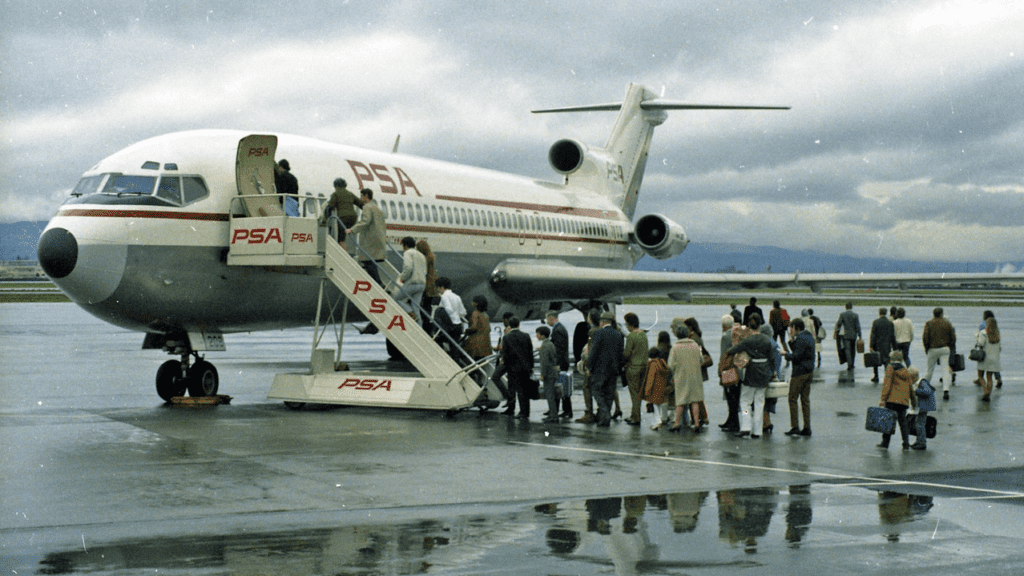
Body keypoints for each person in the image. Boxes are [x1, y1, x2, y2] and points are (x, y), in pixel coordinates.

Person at [727, 314, 773, 438]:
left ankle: (746, 426)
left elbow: (733, 350)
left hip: (752, 371)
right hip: (764, 372)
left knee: (746, 402)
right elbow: (772, 358)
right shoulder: (766, 340)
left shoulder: (748, 340)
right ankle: (757, 430)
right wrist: (772, 373)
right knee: (759, 402)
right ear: (760, 324)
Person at [587, 311, 625, 427]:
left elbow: (593, 352)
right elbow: (620, 353)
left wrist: (589, 367)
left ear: (602, 322)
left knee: (596, 391)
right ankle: (605, 417)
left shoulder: (599, 333)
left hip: (599, 369)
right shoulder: (618, 334)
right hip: (613, 370)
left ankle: (605, 414)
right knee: (609, 394)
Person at [667, 324, 705, 433]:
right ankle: (696, 423)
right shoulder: (695, 345)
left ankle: (677, 422)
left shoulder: (675, 347)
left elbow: (671, 364)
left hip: (681, 375)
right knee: (695, 400)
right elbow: (701, 360)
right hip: (695, 375)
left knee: (680, 400)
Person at [878, 350, 916, 450]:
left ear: (891, 359)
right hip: (903, 401)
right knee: (903, 423)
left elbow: (887, 384)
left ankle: (885, 443)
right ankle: (906, 444)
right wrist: (913, 401)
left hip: (892, 400)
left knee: (888, 422)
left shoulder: (890, 368)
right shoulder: (905, 370)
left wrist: (883, 399)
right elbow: (910, 387)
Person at [346, 188, 386, 285]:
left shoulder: (367, 207)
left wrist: (352, 229)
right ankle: (379, 283)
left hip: (370, 240)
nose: (361, 198)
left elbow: (366, 221)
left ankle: (378, 283)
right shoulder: (377, 208)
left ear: (366, 196)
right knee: (371, 263)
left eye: (362, 196)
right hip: (378, 239)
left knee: (367, 261)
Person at [784, 318, 815, 437]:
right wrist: (792, 341)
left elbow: (796, 356)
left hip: (799, 373)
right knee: (805, 400)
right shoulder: (808, 336)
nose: (790, 330)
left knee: (792, 398)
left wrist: (786, 355)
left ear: (796, 328)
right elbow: (799, 351)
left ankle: (795, 426)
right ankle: (807, 427)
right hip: (809, 372)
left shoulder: (801, 338)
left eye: (791, 328)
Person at [501, 316, 534, 419]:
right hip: (525, 367)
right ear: (519, 324)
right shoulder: (526, 336)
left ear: (509, 325)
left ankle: (511, 408)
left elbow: (505, 354)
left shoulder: (506, 337)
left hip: (512, 367)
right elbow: (530, 352)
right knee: (523, 391)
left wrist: (505, 365)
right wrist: (531, 366)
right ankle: (525, 411)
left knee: (512, 389)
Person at [922, 307, 956, 401]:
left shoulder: (929, 323)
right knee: (945, 370)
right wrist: (950, 346)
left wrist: (927, 348)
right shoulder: (947, 323)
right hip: (945, 348)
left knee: (929, 370)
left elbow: (925, 337)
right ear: (941, 314)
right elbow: (953, 337)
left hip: (933, 348)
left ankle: (924, 388)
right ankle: (946, 390)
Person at [575, 310, 602, 424]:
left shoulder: (592, 332)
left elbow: (590, 352)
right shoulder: (601, 330)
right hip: (601, 365)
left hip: (592, 366)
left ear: (590, 319)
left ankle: (589, 413)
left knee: (587, 387)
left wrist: (588, 367)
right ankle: (601, 412)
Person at [545, 311, 573, 419]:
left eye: (547, 319)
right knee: (560, 387)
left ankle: (565, 411)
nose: (547, 322)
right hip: (561, 363)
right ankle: (556, 410)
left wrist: (557, 364)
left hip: (560, 363)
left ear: (552, 318)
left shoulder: (558, 330)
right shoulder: (559, 329)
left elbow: (559, 350)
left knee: (561, 387)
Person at [622, 312, 648, 426]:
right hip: (643, 366)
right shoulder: (643, 334)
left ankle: (636, 417)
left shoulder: (631, 336)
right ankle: (634, 414)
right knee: (639, 393)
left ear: (629, 324)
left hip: (633, 367)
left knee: (634, 394)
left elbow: (627, 353)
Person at [718, 315, 741, 432]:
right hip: (739, 369)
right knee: (735, 396)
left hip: (729, 369)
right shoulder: (738, 333)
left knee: (730, 396)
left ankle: (734, 422)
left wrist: (720, 371)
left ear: (724, 325)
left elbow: (723, 355)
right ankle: (731, 420)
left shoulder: (726, 336)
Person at [394, 236, 426, 319]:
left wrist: (403, 278)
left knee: (397, 299)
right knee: (416, 308)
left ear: (405, 245)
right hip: (422, 284)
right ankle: (419, 329)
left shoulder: (408, 253)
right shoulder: (421, 255)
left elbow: (408, 267)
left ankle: (410, 312)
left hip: (412, 283)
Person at [641, 346, 671, 430]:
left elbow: (651, 378)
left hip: (654, 388)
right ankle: (658, 420)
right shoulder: (663, 363)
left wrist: (647, 390)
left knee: (655, 405)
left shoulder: (653, 364)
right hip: (662, 387)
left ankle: (657, 421)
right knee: (659, 405)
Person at [975, 310, 1001, 402]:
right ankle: (988, 394)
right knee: (989, 377)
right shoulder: (997, 334)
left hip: (985, 357)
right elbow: (999, 347)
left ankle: (986, 391)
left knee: (980, 376)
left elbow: (980, 344)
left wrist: (977, 337)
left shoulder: (983, 332)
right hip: (995, 358)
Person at [537, 326, 561, 423]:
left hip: (549, 373)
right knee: (551, 394)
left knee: (549, 395)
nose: (536, 336)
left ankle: (553, 416)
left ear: (542, 335)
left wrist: (542, 374)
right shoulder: (550, 344)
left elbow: (544, 362)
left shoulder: (545, 346)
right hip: (553, 371)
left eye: (538, 333)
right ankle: (553, 414)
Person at [433, 276, 466, 342]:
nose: (438, 291)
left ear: (442, 288)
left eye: (438, 288)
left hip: (449, 327)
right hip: (458, 326)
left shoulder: (444, 297)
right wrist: (456, 315)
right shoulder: (457, 297)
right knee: (454, 348)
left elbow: (448, 310)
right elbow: (463, 312)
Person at [869, 307, 896, 384]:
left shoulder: (875, 322)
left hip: (877, 344)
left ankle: (876, 376)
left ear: (879, 313)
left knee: (875, 361)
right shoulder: (890, 323)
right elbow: (892, 336)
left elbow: (873, 335)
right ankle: (887, 376)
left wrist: (871, 345)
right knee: (886, 361)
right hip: (887, 345)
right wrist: (894, 347)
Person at [416, 239, 439, 329]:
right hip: (431, 286)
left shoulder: (425, 259)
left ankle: (425, 326)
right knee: (427, 308)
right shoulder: (430, 257)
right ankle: (427, 327)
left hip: (427, 286)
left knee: (424, 308)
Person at [909, 368, 933, 450]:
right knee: (918, 423)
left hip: (923, 407)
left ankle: (922, 442)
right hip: (921, 406)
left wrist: (916, 391)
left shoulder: (922, 382)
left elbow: (927, 391)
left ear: (913, 377)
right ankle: (919, 440)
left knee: (920, 424)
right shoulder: (920, 382)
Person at [834, 302, 861, 371]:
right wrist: (859, 335)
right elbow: (857, 326)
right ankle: (852, 363)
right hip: (853, 335)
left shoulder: (842, 314)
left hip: (846, 335)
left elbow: (839, 323)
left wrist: (837, 331)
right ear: (851, 307)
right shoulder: (855, 315)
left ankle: (849, 365)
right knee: (853, 350)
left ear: (845, 307)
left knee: (847, 349)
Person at [464, 295, 491, 363]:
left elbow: (474, 327)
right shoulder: (485, 315)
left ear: (476, 304)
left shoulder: (475, 313)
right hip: (485, 344)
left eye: (473, 301)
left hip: (476, 344)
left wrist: (466, 331)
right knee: (479, 362)